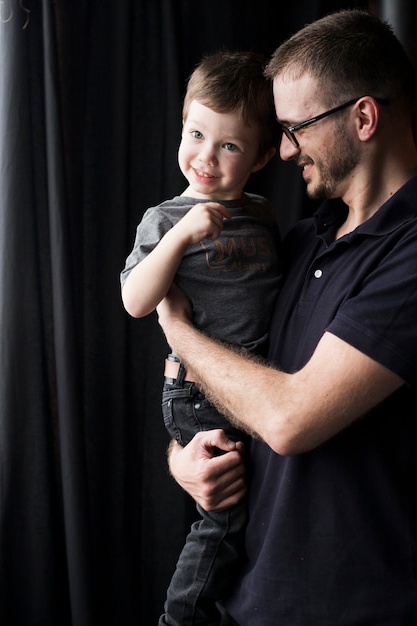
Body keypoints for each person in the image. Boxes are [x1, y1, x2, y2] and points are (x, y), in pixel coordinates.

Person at [157, 9, 417, 625]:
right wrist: (185, 460)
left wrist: (176, 329)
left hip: (364, 611)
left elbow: (286, 418)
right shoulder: (302, 240)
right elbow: (235, 391)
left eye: (296, 127)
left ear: (364, 117)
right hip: (247, 601)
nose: (281, 150)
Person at [120, 50, 282, 625]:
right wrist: (182, 235)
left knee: (261, 520)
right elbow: (137, 301)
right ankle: (179, 618)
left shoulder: (263, 216)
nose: (205, 158)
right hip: (197, 394)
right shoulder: (165, 219)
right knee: (224, 519)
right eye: (195, 134)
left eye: (229, 146)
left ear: (264, 155)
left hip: (255, 390)